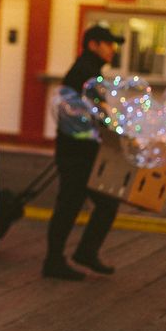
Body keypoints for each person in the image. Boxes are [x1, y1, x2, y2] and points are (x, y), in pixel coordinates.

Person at [43, 24, 125, 281]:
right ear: (93, 44)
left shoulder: (90, 71)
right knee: (71, 204)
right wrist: (110, 127)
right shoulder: (84, 72)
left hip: (83, 151)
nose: (112, 49)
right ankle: (55, 261)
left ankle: (82, 253)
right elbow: (83, 114)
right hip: (77, 152)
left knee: (101, 203)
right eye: (107, 43)